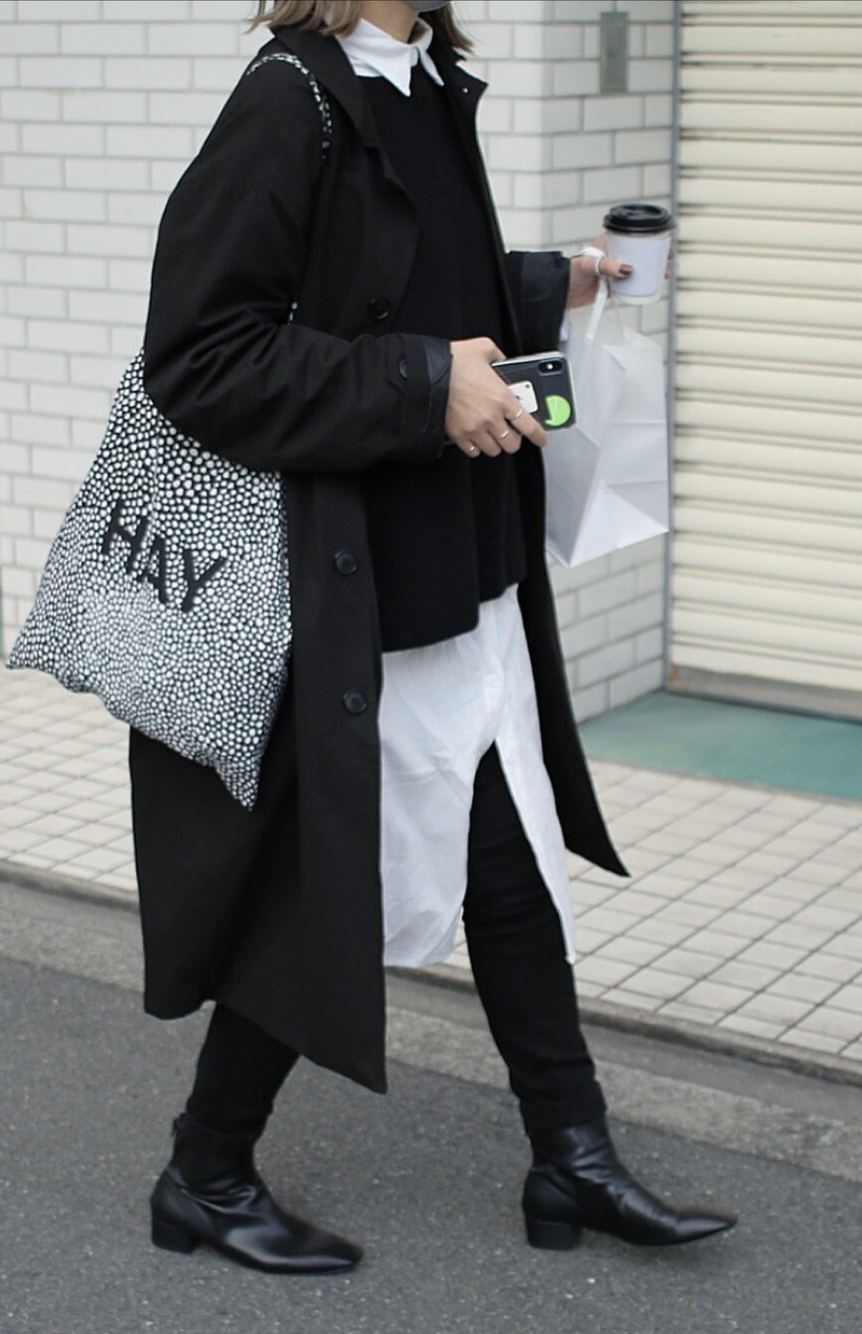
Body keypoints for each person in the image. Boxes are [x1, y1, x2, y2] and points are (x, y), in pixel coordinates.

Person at [131, 0, 735, 1273]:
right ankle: (205, 1168)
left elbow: (402, 287)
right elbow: (200, 357)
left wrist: (546, 285)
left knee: (504, 859)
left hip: (465, 564)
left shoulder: (425, 81)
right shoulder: (290, 98)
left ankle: (570, 1154)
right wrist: (422, 383)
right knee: (329, 885)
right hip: (370, 588)